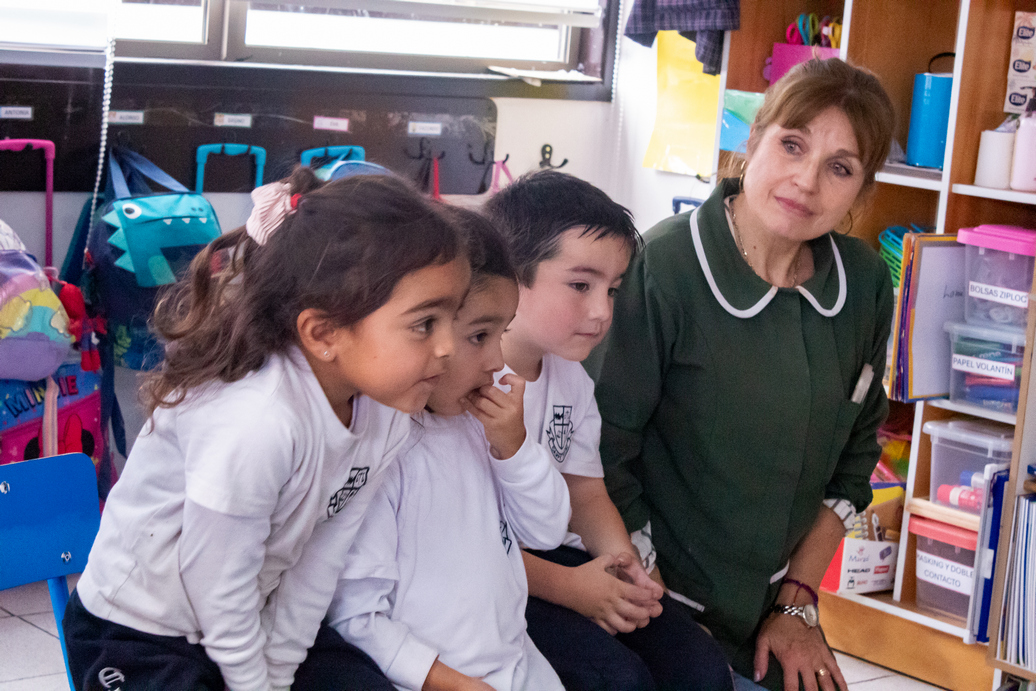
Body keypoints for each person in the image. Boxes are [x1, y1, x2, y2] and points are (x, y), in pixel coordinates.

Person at [62, 170, 471, 691]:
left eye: (453, 318)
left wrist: (278, 669)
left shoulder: (388, 410)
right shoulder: (256, 422)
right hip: (138, 630)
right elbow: (215, 583)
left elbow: (320, 557)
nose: (448, 347)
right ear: (323, 333)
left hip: (251, 615)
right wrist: (254, 684)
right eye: (424, 323)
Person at [593, 58, 896, 691]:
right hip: (650, 599)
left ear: (861, 191)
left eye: (840, 168)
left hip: (775, 612)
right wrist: (665, 620)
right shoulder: (665, 265)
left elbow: (855, 460)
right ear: (753, 141)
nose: (806, 182)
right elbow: (601, 458)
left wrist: (797, 605)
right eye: (792, 145)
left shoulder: (865, 282)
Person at [484, 170, 734, 691]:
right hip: (487, 574)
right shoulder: (466, 384)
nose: (601, 312)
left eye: (613, 290)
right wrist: (570, 588)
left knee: (699, 666)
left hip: (557, 557)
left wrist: (625, 569)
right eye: (580, 286)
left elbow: (586, 492)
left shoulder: (572, 379)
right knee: (616, 678)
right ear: (509, 276)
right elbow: (463, 542)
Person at [318, 207, 571, 691]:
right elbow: (356, 616)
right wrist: (451, 682)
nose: (496, 360)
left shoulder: (480, 423)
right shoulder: (381, 452)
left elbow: (545, 531)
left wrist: (515, 448)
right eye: (479, 336)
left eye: (501, 334)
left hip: (517, 665)